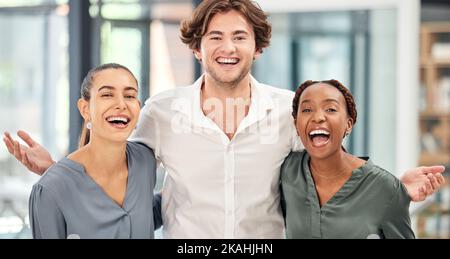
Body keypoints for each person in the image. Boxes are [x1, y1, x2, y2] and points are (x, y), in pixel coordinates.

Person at [3, 0, 445, 239]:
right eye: (215, 36)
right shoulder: (161, 110)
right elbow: (115, 165)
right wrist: (59, 171)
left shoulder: (287, 109)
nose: (227, 47)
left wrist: (392, 187)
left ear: (257, 47)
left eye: (239, 37)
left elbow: (329, 167)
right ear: (197, 48)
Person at [4, 63, 162, 239]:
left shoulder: (145, 161)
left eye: (129, 95)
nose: (121, 104)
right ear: (85, 109)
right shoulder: (49, 190)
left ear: (138, 106)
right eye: (107, 94)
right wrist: (59, 175)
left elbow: (142, 218)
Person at [281, 79, 415, 239]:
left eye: (330, 109)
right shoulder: (288, 171)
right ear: (296, 124)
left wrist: (396, 190)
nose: (318, 117)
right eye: (307, 109)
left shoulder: (387, 188)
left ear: (348, 124)